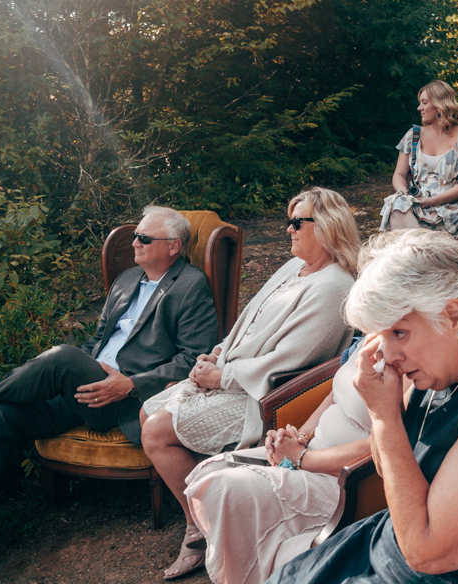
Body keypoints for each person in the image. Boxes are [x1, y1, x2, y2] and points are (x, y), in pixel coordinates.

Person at [266, 229, 458, 584]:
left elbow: (425, 552)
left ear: (455, 317)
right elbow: (388, 465)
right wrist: (383, 407)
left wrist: (384, 416)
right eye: (380, 335)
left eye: (399, 332)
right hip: (385, 545)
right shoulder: (448, 356)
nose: (387, 355)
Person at [0, 207, 219, 583]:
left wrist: (130, 383)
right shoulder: (125, 279)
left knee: (61, 356)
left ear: (173, 247)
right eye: (135, 236)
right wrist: (82, 367)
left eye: (144, 238)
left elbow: (194, 356)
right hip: (85, 391)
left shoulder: (190, 285)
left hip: (125, 402)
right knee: (0, 416)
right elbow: (98, 340)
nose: (134, 243)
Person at [142, 187, 359, 580]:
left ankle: (197, 530)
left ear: (326, 227)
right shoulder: (292, 268)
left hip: (261, 399)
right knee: (148, 408)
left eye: (297, 222)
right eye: (288, 221)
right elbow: (246, 326)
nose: (288, 230)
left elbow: (292, 362)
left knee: (157, 430)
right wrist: (216, 355)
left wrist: (223, 375)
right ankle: (208, 515)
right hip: (233, 375)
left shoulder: (334, 287)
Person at [184, 336, 372, 584]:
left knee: (224, 489)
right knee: (211, 469)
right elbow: (333, 396)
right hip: (309, 453)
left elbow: (385, 445)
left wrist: (301, 457)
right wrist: (299, 437)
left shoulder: (409, 361)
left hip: (344, 481)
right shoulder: (369, 336)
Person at [379, 80, 458, 236]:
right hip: (418, 203)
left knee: (405, 234)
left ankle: (416, 254)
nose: (419, 108)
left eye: (424, 102)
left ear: (440, 104)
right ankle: (420, 252)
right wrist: (402, 190)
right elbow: (399, 174)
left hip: (450, 209)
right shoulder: (413, 136)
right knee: (396, 204)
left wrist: (433, 201)